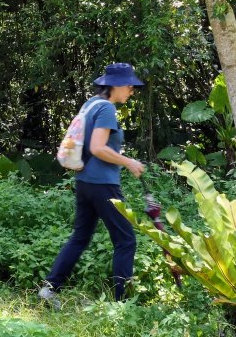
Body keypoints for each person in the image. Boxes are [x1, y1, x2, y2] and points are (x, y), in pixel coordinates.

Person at [39, 62, 146, 308]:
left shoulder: (90, 104)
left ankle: (50, 289)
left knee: (80, 236)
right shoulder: (107, 109)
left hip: (85, 182)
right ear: (116, 85)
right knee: (125, 240)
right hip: (103, 184)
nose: (132, 90)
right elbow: (98, 148)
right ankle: (121, 305)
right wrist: (128, 162)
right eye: (130, 85)